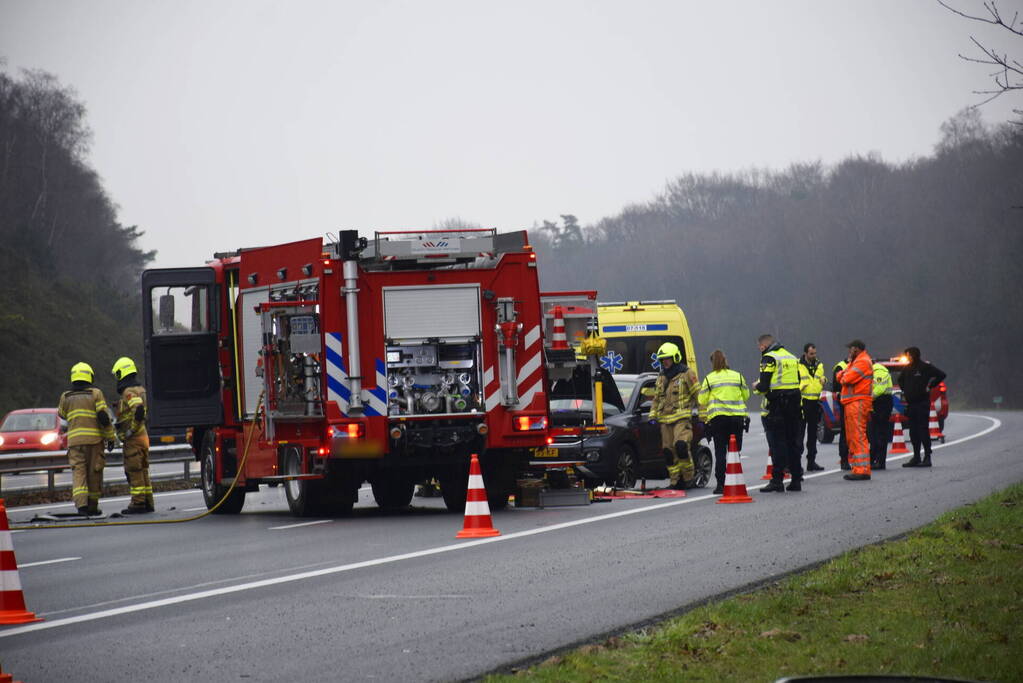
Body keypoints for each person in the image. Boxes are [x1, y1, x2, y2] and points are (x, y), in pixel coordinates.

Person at [58, 362, 116, 515]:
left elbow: (61, 414)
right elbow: (103, 417)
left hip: (75, 443)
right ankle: (92, 507)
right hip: (94, 442)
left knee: (78, 473)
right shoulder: (95, 393)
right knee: (94, 473)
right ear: (89, 376)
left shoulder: (65, 396)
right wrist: (111, 437)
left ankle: (81, 505)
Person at [754, 334, 803, 492]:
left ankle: (777, 480)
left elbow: (764, 385)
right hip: (794, 404)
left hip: (778, 405)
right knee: (793, 443)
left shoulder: (769, 358)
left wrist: (756, 385)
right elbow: (797, 380)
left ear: (762, 346)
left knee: (777, 444)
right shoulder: (792, 357)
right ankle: (796, 479)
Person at [697, 349, 750, 495]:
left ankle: (721, 484)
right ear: (726, 360)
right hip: (737, 419)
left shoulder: (710, 378)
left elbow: (701, 399)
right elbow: (746, 395)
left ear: (712, 362)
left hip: (719, 419)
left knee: (720, 451)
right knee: (734, 451)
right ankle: (736, 479)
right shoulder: (737, 376)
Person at [649, 342, 699, 490]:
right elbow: (657, 399)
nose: (665, 362)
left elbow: (699, 395)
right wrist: (652, 415)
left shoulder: (687, 373)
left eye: (668, 358)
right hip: (665, 420)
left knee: (681, 446)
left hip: (681, 418)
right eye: (663, 359)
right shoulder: (661, 377)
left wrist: (704, 417)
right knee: (668, 452)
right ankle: (675, 481)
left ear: (675, 357)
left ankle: (689, 477)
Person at [112, 356, 154, 514]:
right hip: (143, 436)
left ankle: (138, 503)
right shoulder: (141, 390)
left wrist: (130, 430)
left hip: (134, 438)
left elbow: (138, 410)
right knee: (143, 470)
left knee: (134, 470)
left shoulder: (129, 392)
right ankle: (148, 502)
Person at [898, 346, 946, 468]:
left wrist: (930, 386)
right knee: (913, 432)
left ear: (913, 355)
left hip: (922, 403)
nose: (907, 357)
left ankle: (927, 457)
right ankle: (916, 456)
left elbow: (941, 375)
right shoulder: (907, 368)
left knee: (923, 430)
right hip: (911, 404)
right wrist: (907, 390)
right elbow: (900, 380)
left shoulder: (925, 367)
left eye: (908, 355)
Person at [837, 340, 873, 481]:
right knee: (852, 436)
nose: (849, 351)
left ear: (856, 349)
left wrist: (842, 375)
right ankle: (858, 468)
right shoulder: (856, 361)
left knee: (858, 435)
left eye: (850, 348)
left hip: (858, 402)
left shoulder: (862, 361)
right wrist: (843, 374)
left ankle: (862, 470)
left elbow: (845, 378)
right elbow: (841, 375)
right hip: (852, 402)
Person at [797, 343, 826, 472]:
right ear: (805, 354)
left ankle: (811, 461)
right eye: (811, 354)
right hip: (802, 403)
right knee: (799, 435)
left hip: (815, 403)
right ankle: (796, 463)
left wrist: (823, 380)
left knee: (813, 436)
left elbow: (819, 379)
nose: (814, 356)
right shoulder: (798, 365)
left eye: (815, 353)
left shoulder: (819, 365)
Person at [868, 360, 894, 470]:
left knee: (880, 433)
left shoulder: (878, 371)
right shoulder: (874, 371)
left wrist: (867, 399)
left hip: (882, 403)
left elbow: (879, 389)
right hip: (879, 403)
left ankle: (880, 461)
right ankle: (874, 460)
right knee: (874, 433)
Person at [832, 357, 849, 470]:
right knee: (845, 432)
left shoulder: (858, 364)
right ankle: (844, 460)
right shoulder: (841, 366)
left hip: (856, 403)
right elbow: (836, 387)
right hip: (846, 404)